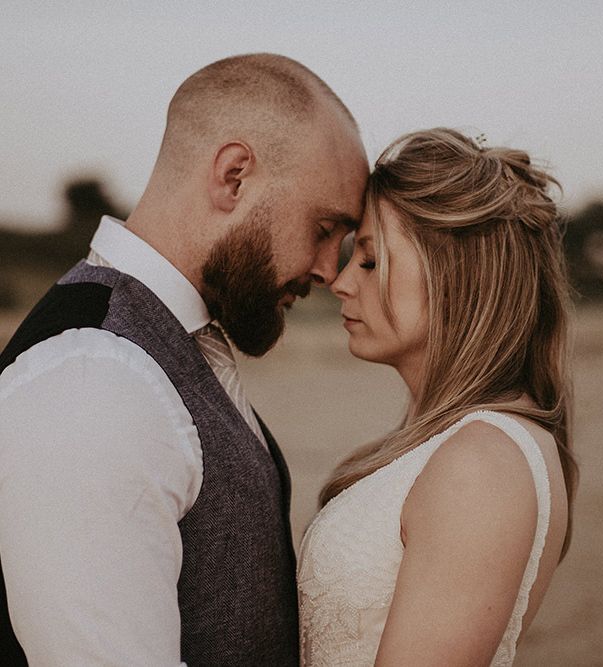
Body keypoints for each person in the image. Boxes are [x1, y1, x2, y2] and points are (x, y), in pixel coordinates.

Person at [0, 54, 368, 666]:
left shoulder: (164, 348)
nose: (329, 269)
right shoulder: (94, 378)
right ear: (234, 176)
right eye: (325, 226)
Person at [298, 128, 578, 666]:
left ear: (455, 276)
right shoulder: (462, 445)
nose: (339, 281)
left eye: (372, 261)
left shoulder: (482, 464)